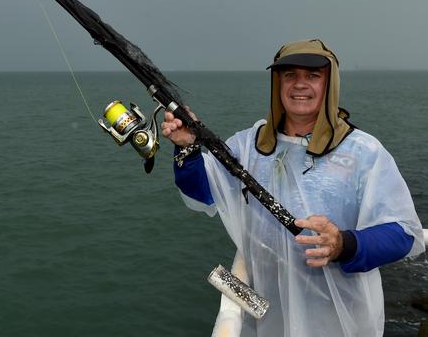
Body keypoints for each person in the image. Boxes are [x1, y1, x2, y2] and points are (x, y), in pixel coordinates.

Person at [161, 39, 424, 337]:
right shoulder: (249, 146)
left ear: (330, 84)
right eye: (290, 75)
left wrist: (344, 244)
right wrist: (188, 149)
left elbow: (404, 233)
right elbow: (203, 192)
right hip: (269, 321)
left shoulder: (364, 152)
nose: (300, 85)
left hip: (343, 322)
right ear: (277, 83)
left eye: (313, 76)